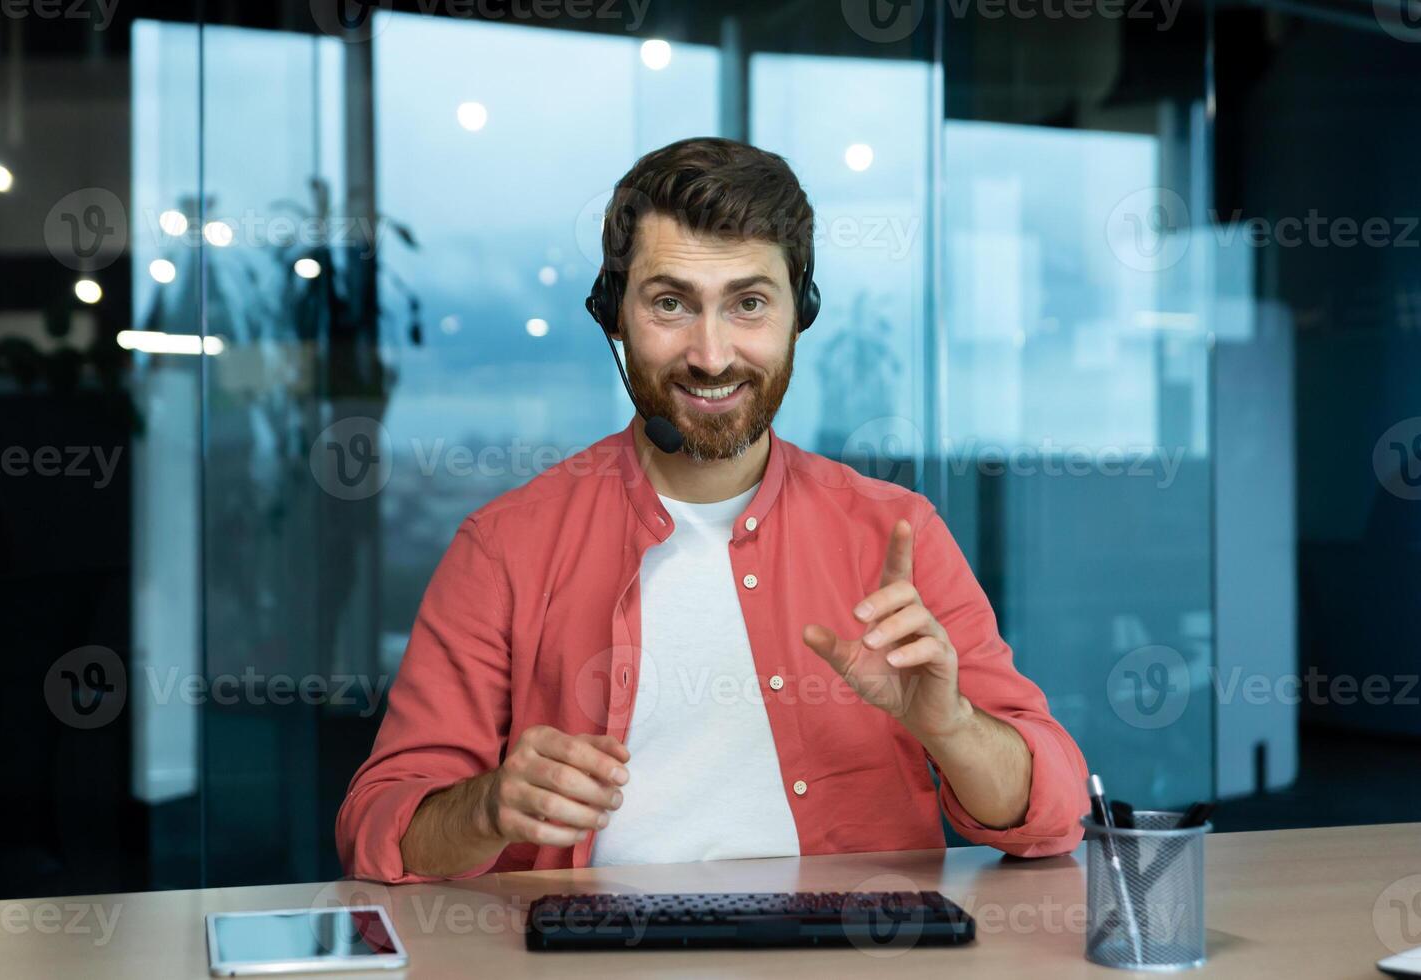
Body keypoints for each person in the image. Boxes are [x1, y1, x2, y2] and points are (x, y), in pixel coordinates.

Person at [336, 136, 1088, 883]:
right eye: (670, 303)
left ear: (803, 311)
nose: (712, 354)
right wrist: (487, 807)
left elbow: (1052, 816)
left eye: (749, 304)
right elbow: (377, 828)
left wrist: (949, 726)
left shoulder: (896, 531)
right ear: (613, 316)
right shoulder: (505, 548)